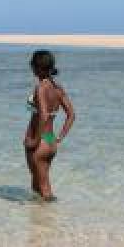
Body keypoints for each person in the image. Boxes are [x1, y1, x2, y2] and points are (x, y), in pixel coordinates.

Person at [23, 50, 75, 201]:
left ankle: (54, 221)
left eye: (32, 65)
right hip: (50, 140)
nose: (31, 68)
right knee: (37, 186)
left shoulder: (41, 87)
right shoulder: (58, 89)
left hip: (39, 142)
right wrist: (59, 138)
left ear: (37, 67)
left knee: (44, 190)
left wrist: (34, 140)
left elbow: (44, 115)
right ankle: (41, 221)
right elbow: (71, 114)